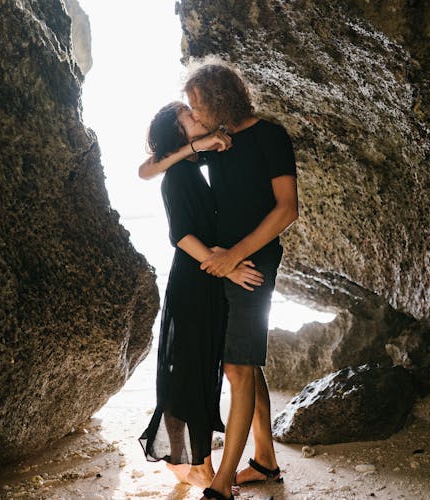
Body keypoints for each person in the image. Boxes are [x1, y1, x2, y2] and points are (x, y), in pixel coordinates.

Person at [137, 101, 265, 490]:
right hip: (195, 280)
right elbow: (181, 235)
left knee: (207, 371)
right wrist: (229, 264)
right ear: (178, 133)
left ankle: (214, 460)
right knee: (189, 375)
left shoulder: (195, 167)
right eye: (187, 117)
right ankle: (191, 463)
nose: (196, 115)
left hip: (208, 278)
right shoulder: (178, 174)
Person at [186, 61, 299, 500]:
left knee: (236, 368)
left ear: (220, 98)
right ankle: (266, 461)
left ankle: (222, 483)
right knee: (245, 362)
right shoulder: (216, 142)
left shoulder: (271, 137)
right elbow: (152, 164)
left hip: (253, 266)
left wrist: (235, 255)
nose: (195, 113)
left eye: (198, 104)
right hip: (222, 264)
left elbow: (287, 208)